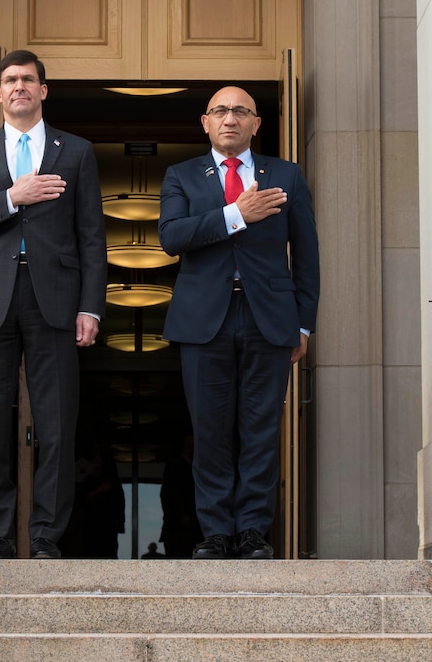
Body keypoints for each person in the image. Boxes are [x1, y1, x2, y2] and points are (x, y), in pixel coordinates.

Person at [0, 49, 106, 559]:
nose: (19, 87)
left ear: (43, 90)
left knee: (57, 423)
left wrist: (91, 307)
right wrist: (14, 196)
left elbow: (92, 237)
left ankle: (47, 538)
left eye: (28, 80)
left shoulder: (75, 152)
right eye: (9, 80)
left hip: (56, 302)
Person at [158, 85, 320, 560]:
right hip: (202, 321)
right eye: (221, 111)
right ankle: (215, 532)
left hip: (269, 319)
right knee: (208, 431)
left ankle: (252, 530)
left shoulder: (285, 174)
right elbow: (171, 236)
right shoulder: (181, 175)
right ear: (205, 122)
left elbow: (307, 255)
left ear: (256, 124)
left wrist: (304, 325)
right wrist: (235, 214)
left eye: (241, 111)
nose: (230, 118)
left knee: (261, 428)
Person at [159, 433, 201, 558]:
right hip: (180, 523)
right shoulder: (176, 465)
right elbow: (171, 491)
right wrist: (182, 514)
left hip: (189, 522)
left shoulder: (191, 466)